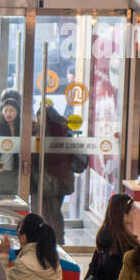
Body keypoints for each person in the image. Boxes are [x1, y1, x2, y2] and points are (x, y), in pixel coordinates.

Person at [31, 102, 86, 245]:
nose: (38, 119)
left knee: (48, 213)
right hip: (61, 180)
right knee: (54, 212)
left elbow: (40, 158)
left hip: (50, 180)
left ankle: (53, 242)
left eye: (39, 116)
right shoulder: (63, 132)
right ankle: (57, 241)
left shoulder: (47, 134)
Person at [93, 193, 139, 280]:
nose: (134, 213)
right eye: (131, 210)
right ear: (123, 215)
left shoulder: (105, 236)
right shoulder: (125, 245)